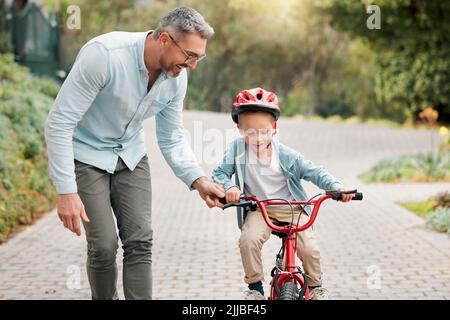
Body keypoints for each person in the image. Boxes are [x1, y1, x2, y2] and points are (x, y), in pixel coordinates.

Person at [44, 7, 225, 300]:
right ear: (165, 39)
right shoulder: (104, 56)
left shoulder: (176, 76)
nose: (192, 65)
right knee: (103, 245)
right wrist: (66, 191)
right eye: (190, 56)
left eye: (198, 58)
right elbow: (59, 124)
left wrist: (198, 179)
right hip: (86, 155)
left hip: (130, 155)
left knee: (140, 241)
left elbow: (172, 136)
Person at [211, 88, 355, 300]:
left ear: (274, 128)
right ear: (240, 128)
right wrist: (230, 188)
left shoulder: (286, 155)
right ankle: (255, 288)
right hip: (260, 208)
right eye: (250, 131)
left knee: (309, 248)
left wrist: (336, 187)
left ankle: (315, 287)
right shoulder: (237, 150)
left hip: (292, 208)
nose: (257, 137)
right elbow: (220, 173)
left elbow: (314, 172)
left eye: (263, 131)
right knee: (248, 241)